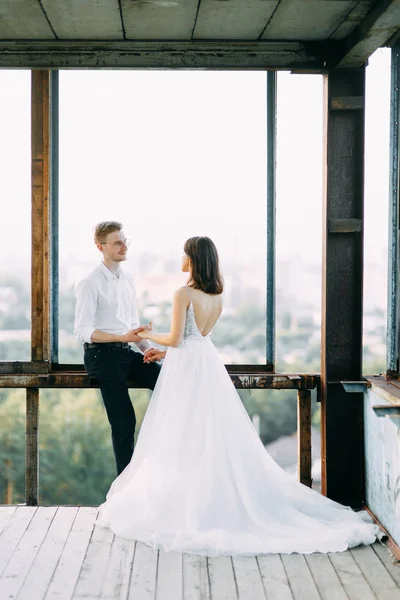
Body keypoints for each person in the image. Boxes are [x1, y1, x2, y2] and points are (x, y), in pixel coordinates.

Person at [97, 236, 379, 556]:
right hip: (205, 365)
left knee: (180, 434)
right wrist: (162, 353)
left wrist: (146, 335)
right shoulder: (217, 294)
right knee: (207, 434)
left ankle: (190, 506)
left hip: (186, 371)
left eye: (184, 252)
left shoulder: (183, 293)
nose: (180, 256)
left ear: (192, 258)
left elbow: (177, 338)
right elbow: (196, 339)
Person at [74, 221, 161, 475]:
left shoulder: (128, 279)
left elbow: (132, 325)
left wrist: (148, 348)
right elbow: (83, 330)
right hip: (101, 357)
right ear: (100, 247)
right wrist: (122, 336)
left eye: (125, 241)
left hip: (126, 353)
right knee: (124, 422)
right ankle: (125, 490)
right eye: (117, 243)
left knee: (167, 379)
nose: (124, 246)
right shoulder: (90, 282)